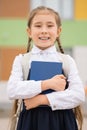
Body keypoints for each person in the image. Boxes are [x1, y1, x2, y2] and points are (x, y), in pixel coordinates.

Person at [7, 6, 85, 130]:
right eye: (38, 26)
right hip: (30, 122)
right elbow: (12, 90)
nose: (44, 30)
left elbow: (78, 95)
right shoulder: (22, 60)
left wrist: (42, 99)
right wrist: (46, 84)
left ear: (58, 31)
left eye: (50, 26)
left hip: (62, 122)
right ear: (29, 32)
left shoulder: (67, 61)